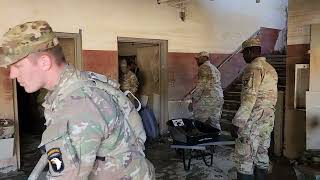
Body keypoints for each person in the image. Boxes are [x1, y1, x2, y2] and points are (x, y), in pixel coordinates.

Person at [0, 20, 154, 180]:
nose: (12, 74)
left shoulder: (77, 106)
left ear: (44, 62)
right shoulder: (77, 83)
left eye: (18, 66)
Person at [232, 38, 278, 180]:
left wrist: (237, 123)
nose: (244, 56)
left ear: (250, 51)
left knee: (244, 159)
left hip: (253, 121)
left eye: (244, 53)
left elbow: (249, 99)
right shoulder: (270, 68)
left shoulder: (253, 68)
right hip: (267, 121)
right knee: (262, 155)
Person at [189, 51, 224, 130]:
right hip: (219, 97)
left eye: (198, 59)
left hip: (208, 98)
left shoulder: (204, 67)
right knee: (215, 121)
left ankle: (198, 139)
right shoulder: (214, 68)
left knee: (198, 120)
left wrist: (194, 98)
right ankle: (216, 138)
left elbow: (201, 85)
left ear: (203, 58)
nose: (197, 61)